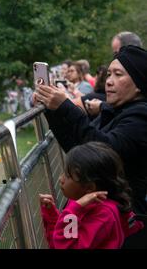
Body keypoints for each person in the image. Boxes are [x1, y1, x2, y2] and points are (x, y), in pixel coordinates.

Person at [34, 45, 147, 247]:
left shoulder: (140, 116)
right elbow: (79, 149)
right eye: (109, 74)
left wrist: (65, 106)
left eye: (118, 74)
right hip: (101, 218)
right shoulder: (117, 111)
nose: (109, 81)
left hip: (122, 226)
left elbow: (103, 149)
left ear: (138, 83)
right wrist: (51, 109)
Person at [40, 142, 144, 249]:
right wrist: (52, 217)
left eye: (68, 176)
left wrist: (73, 210)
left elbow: (67, 246)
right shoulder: (81, 202)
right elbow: (61, 241)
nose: (61, 179)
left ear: (89, 187)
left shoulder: (103, 215)